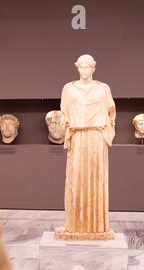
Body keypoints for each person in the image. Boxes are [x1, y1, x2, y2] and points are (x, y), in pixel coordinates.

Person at [55, 54, 116, 240]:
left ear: (94, 68)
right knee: (75, 178)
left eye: (88, 66)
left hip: (96, 136)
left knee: (97, 177)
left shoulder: (103, 89)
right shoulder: (69, 89)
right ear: (77, 68)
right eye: (81, 66)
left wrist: (105, 132)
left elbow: (111, 114)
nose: (84, 70)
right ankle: (74, 224)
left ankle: (98, 226)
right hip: (78, 136)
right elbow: (64, 114)